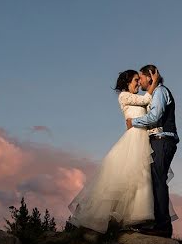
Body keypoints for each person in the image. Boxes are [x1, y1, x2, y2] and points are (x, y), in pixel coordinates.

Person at [68, 69, 176, 233]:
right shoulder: (124, 96)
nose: (138, 83)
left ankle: (139, 218)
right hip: (133, 140)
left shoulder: (142, 97)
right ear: (126, 83)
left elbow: (152, 110)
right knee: (124, 177)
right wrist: (154, 82)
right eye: (135, 80)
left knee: (142, 178)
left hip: (143, 140)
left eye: (139, 80)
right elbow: (147, 99)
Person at [126, 65, 179, 238]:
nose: (139, 81)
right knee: (155, 182)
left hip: (162, 140)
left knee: (158, 182)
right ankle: (158, 223)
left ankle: (163, 227)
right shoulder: (154, 94)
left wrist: (133, 122)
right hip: (158, 141)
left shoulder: (160, 92)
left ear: (150, 77)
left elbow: (155, 116)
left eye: (141, 77)